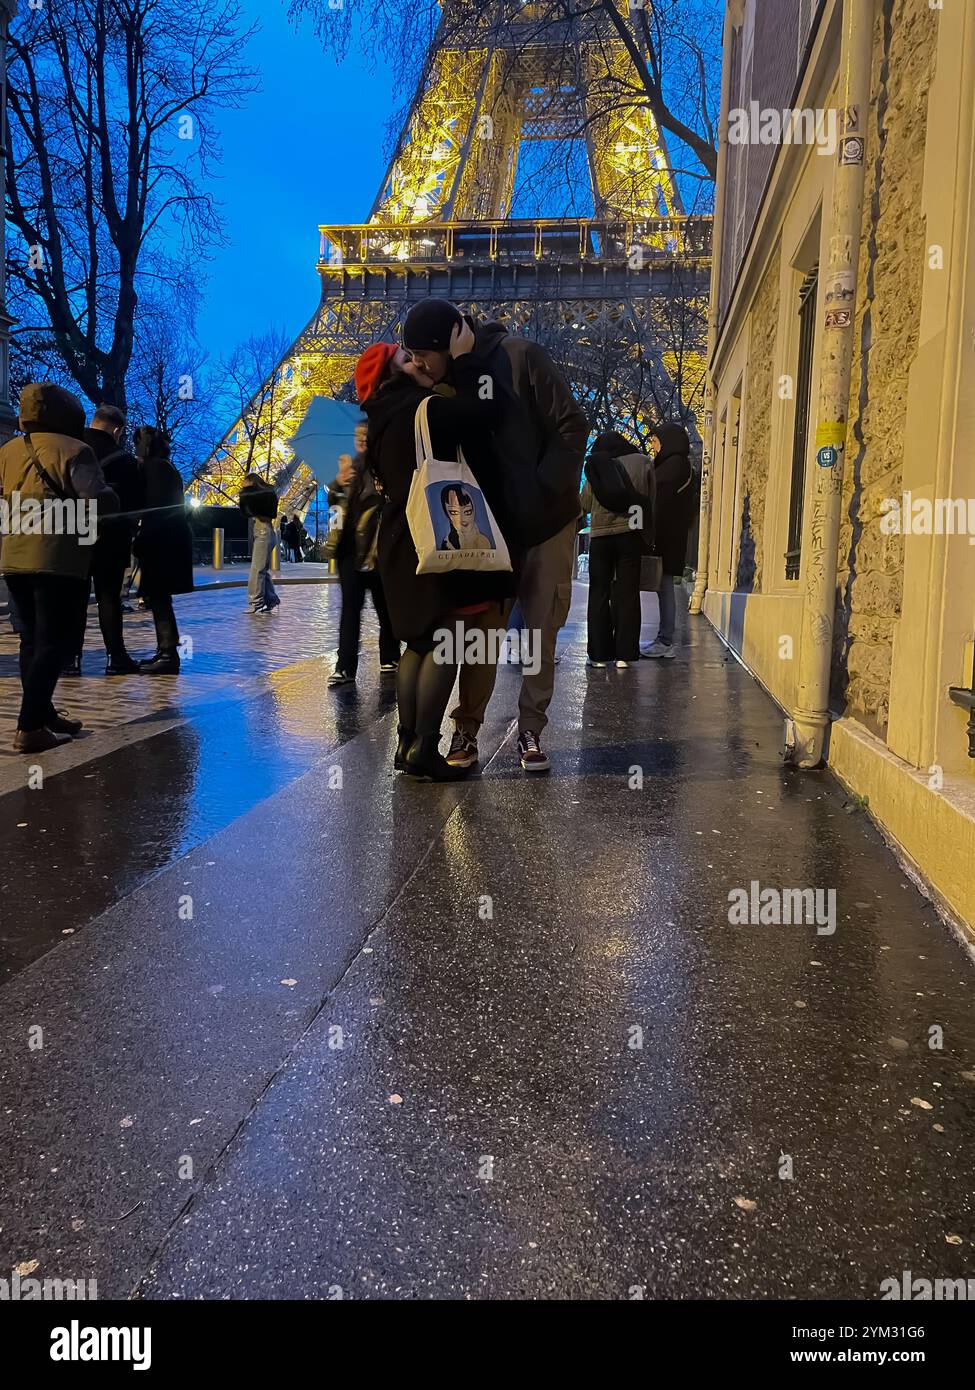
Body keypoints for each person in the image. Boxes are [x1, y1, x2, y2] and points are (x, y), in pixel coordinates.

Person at [402, 299, 588, 774]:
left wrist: (542, 489)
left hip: (545, 522)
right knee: (483, 635)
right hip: (490, 527)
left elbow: (572, 424)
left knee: (540, 629)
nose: (417, 362)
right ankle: (467, 727)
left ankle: (530, 727)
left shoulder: (523, 355)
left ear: (448, 342)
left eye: (423, 352)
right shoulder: (449, 380)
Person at [357, 326, 514, 780]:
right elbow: (486, 410)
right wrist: (466, 361)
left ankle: (406, 744)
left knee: (419, 643)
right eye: (407, 359)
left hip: (397, 538)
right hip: (434, 531)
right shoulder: (424, 410)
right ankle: (425, 747)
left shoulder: (375, 418)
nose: (418, 362)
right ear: (393, 372)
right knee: (448, 638)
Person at [0, 382, 119, 752]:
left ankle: (43, 711)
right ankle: (30, 725)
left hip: (15, 556)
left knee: (31, 640)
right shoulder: (75, 450)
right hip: (57, 557)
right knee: (58, 642)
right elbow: (96, 499)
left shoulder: (8, 450)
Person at [68, 403, 143, 675]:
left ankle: (70, 658)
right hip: (111, 537)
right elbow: (135, 505)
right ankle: (116, 657)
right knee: (109, 598)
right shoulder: (125, 461)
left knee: (75, 599)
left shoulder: (72, 448)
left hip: (75, 534)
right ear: (118, 430)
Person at [326, 434, 399, 688]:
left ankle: (389, 657)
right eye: (357, 435)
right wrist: (338, 485)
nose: (361, 439)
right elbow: (335, 512)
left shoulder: (384, 469)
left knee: (385, 609)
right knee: (350, 612)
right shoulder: (348, 471)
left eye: (366, 434)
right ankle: (345, 666)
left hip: (377, 551)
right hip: (350, 553)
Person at [581, 431, 654, 669]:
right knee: (628, 592)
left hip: (601, 536)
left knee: (599, 592)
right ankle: (625, 654)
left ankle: (600, 656)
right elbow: (651, 499)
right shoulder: (643, 462)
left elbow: (584, 503)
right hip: (631, 534)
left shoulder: (597, 463)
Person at [133, 425, 194, 674]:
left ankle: (168, 653)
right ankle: (165, 650)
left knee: (158, 597)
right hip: (167, 541)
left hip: (161, 544)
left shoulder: (155, 469)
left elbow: (155, 511)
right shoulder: (164, 468)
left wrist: (141, 539)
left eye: (137, 443)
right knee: (159, 597)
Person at [640, 423, 697, 660]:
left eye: (656, 441)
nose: (653, 445)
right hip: (672, 535)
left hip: (666, 536)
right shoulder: (679, 465)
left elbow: (660, 502)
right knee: (664, 587)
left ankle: (665, 640)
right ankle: (664, 639)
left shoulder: (673, 466)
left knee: (664, 587)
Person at [239, 471, 281, 614]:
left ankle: (256, 602)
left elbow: (251, 511)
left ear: (251, 482)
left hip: (263, 532)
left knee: (257, 570)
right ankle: (271, 599)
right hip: (266, 532)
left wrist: (246, 495)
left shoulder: (257, 497)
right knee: (261, 570)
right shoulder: (268, 494)